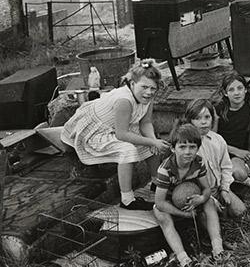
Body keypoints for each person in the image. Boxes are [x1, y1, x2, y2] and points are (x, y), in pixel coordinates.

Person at [60, 59, 171, 210]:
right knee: (127, 150)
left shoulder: (148, 98)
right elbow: (122, 134)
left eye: (153, 88)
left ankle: (156, 184)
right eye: (144, 87)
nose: (149, 92)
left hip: (119, 127)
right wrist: (151, 142)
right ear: (132, 83)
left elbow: (145, 123)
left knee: (152, 142)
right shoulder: (124, 101)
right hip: (96, 131)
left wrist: (152, 140)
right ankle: (127, 200)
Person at [153, 123, 227, 266]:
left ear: (198, 148)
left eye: (192, 147)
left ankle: (218, 248)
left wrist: (201, 198)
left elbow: (206, 189)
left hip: (193, 198)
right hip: (169, 203)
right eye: (182, 147)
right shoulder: (165, 170)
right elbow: (160, 202)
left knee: (209, 202)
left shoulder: (199, 162)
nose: (188, 152)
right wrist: (184, 215)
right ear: (173, 148)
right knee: (160, 215)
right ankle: (183, 258)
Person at [182, 98, 246, 218]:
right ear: (189, 121)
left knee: (240, 212)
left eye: (207, 117)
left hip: (218, 188)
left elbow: (226, 167)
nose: (204, 122)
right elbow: (187, 179)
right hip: (199, 193)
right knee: (211, 219)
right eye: (198, 118)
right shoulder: (187, 146)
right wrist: (207, 198)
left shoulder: (218, 140)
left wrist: (225, 190)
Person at [213, 72, 250, 185]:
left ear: (246, 90)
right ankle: (244, 182)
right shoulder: (218, 109)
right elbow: (212, 139)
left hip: (237, 153)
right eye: (231, 90)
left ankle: (239, 174)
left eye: (240, 88)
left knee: (240, 173)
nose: (236, 93)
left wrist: (248, 156)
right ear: (225, 93)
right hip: (220, 151)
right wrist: (236, 151)